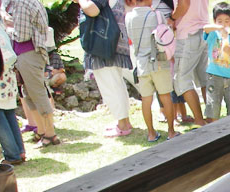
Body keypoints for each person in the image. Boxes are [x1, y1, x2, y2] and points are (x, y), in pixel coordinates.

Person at [76, 0, 134, 138]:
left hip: (104, 43)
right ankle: (124, 121)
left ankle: (123, 125)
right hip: (112, 40)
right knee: (116, 83)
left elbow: (93, 10)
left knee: (110, 85)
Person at [7, 0, 60, 148]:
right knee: (28, 94)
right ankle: (41, 130)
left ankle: (50, 134)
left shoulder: (22, 3)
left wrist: (5, 28)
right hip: (26, 54)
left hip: (29, 54)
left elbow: (22, 35)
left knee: (38, 93)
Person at [125, 0, 177, 141]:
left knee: (146, 99)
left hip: (141, 64)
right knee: (165, 96)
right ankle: (171, 131)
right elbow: (165, 37)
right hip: (159, 61)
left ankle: (151, 133)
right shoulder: (157, 15)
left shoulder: (129, 17)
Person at [170, 0, 208, 126]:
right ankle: (212, 118)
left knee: (182, 80)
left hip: (188, 33)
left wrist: (172, 18)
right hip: (204, 30)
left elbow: (184, 4)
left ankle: (199, 120)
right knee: (205, 78)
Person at [202, 2, 230, 121]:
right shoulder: (213, 35)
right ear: (214, 21)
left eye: (226, 21)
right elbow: (205, 28)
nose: (223, 24)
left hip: (229, 77)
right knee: (213, 106)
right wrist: (218, 28)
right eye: (220, 21)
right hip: (213, 76)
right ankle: (213, 128)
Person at [0, 17, 24, 165]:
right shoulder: (0, 27)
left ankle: (12, 155)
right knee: (9, 113)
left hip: (0, 76)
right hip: (8, 76)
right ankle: (19, 151)